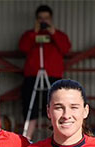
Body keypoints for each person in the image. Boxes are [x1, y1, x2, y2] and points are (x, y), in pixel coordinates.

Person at [18, 4, 71, 137]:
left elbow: (66, 49)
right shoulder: (29, 35)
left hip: (53, 76)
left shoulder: (58, 35)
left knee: (55, 107)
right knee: (31, 108)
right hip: (33, 76)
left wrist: (53, 33)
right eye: (41, 18)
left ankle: (57, 136)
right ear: (36, 20)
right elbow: (23, 48)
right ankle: (27, 137)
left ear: (51, 19)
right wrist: (34, 33)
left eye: (46, 18)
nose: (43, 21)